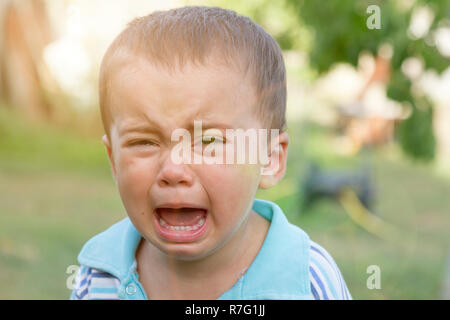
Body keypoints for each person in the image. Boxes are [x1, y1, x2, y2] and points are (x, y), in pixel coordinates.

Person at [70, 6, 352, 300]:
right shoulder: (100, 273)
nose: (173, 170)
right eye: (144, 142)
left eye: (208, 141)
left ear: (270, 158)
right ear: (113, 159)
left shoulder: (306, 281)